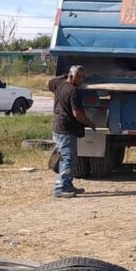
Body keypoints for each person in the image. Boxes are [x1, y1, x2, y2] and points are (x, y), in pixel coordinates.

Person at [47, 65, 96, 198]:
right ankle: (60, 188)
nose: (82, 79)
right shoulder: (73, 91)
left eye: (82, 77)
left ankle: (67, 184)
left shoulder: (59, 83)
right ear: (71, 76)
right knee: (68, 158)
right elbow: (77, 114)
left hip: (58, 127)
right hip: (66, 129)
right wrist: (89, 122)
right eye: (79, 77)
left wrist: (63, 76)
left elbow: (48, 83)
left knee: (68, 157)